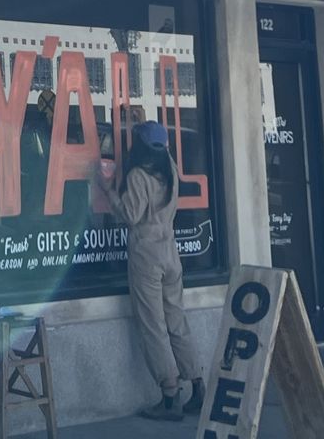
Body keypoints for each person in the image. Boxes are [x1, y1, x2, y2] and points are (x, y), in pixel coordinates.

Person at [97, 119, 203, 421]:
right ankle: (197, 385)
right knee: (177, 320)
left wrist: (108, 189)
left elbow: (130, 215)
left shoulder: (138, 175)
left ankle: (170, 397)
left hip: (147, 253)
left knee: (153, 325)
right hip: (171, 251)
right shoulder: (169, 168)